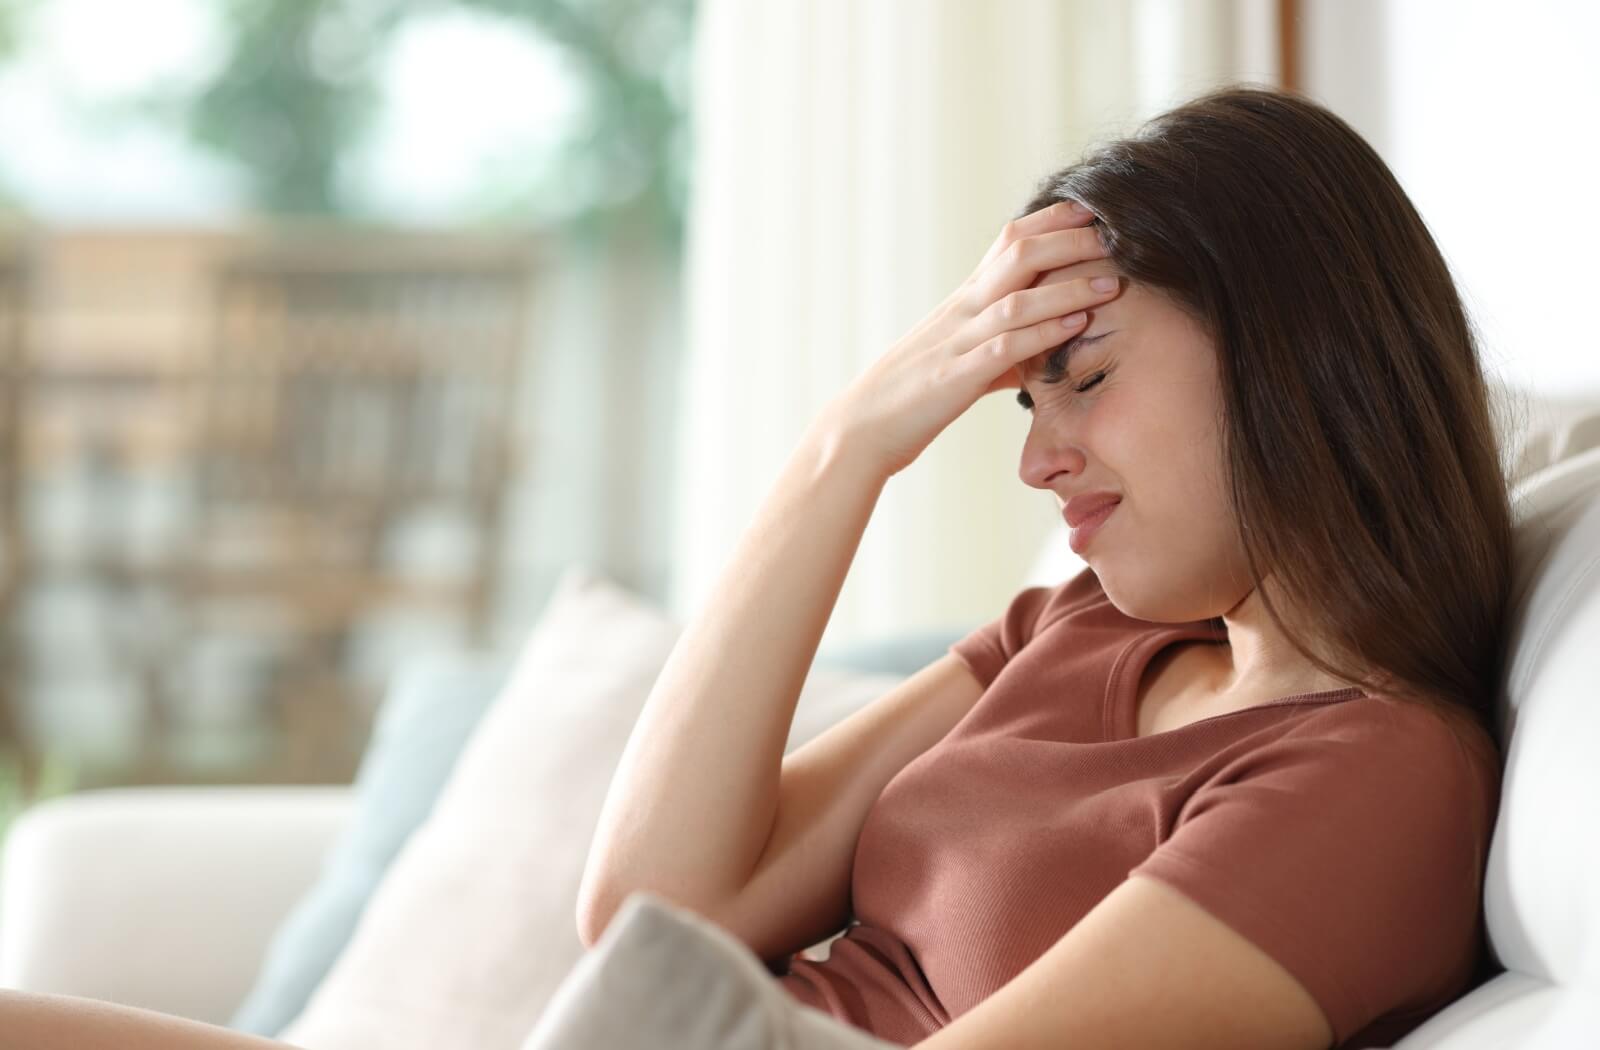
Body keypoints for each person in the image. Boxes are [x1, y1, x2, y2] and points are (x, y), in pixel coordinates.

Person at [2, 84, 1511, 1050]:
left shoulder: (1378, 775)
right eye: (1017, 401)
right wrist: (845, 447)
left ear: (1291, 349)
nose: (1040, 458)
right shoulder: (1077, 630)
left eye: (1085, 375)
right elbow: (663, 906)